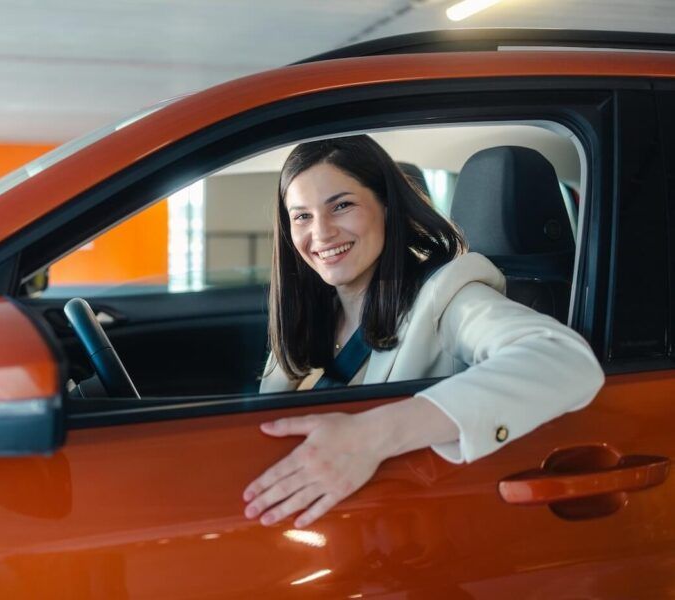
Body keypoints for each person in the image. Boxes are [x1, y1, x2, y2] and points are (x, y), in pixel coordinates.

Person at [243, 135, 604, 529]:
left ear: (385, 206)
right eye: (302, 216)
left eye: (342, 205)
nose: (322, 232)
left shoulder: (447, 295)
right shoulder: (309, 316)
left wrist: (372, 435)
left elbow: (562, 360)